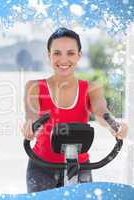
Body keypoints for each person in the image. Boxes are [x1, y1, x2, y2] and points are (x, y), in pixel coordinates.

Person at [22, 27, 128, 192]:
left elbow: (101, 112)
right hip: (42, 167)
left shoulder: (91, 88)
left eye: (70, 53)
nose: (63, 59)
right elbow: (32, 114)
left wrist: (114, 125)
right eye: (57, 53)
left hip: (80, 166)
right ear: (48, 55)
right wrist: (31, 125)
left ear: (79, 55)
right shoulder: (34, 87)